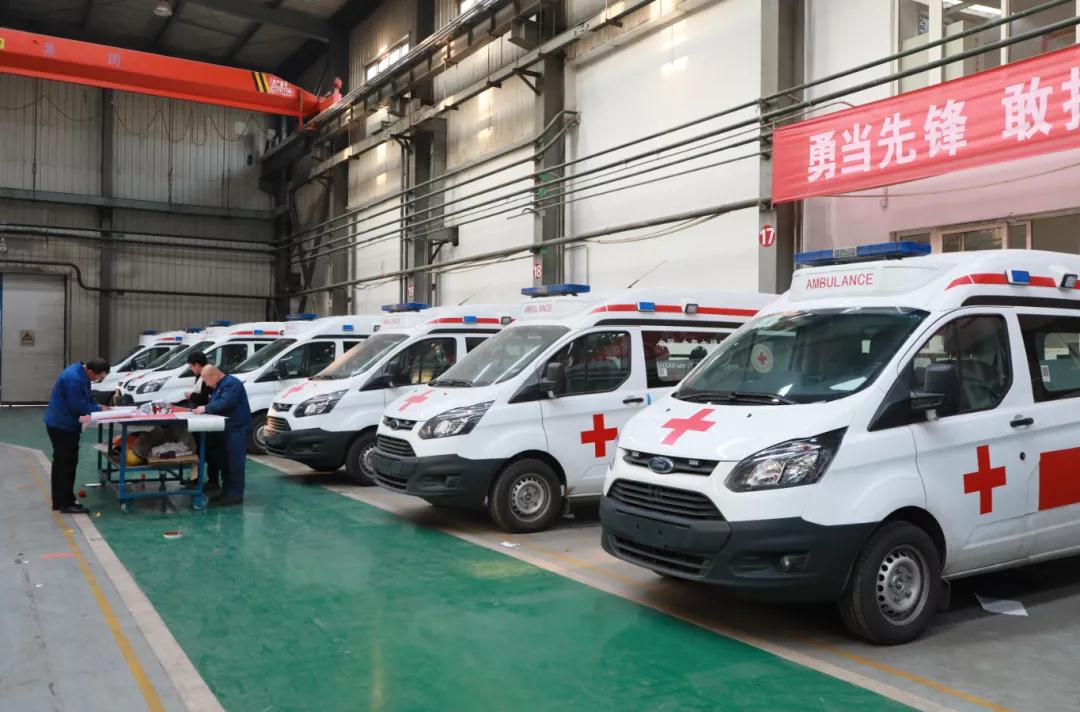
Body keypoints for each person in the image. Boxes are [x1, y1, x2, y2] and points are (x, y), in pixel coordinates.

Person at [44, 359, 111, 513]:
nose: (97, 380)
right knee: (66, 464)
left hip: (63, 423)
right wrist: (98, 410)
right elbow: (77, 406)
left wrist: (98, 406)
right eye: (98, 378)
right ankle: (65, 504)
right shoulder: (73, 379)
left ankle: (60, 501)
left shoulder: (80, 373)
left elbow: (85, 397)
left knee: (63, 463)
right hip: (62, 425)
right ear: (91, 371)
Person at [196, 365, 251, 506]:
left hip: (236, 429)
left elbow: (225, 403)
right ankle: (226, 491)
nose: (207, 385)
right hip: (225, 429)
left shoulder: (232, 384)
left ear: (214, 375)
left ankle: (236, 494)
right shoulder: (220, 386)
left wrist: (205, 408)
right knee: (225, 463)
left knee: (235, 463)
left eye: (206, 381)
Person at [181, 352, 224, 494]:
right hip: (201, 418)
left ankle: (213, 481)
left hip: (210, 421)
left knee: (211, 452)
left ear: (197, 365)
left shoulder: (208, 375)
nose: (191, 369)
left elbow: (205, 398)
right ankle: (196, 478)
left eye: (191, 366)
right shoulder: (200, 376)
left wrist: (192, 396)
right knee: (199, 449)